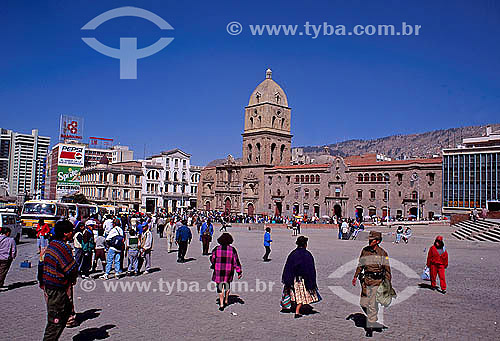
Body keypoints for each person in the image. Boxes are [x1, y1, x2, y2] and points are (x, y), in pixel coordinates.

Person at [41, 220, 78, 340]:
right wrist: (73, 278)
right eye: (71, 231)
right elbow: (71, 268)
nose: (73, 233)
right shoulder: (63, 247)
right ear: (65, 233)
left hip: (51, 285)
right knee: (55, 322)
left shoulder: (52, 244)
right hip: (56, 288)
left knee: (65, 310)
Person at [352, 231, 391, 337]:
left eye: (372, 239)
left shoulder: (383, 253)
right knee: (363, 303)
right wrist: (355, 276)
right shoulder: (365, 251)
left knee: (372, 304)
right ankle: (372, 318)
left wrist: (388, 284)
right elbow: (360, 264)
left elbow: (387, 270)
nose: (369, 241)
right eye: (369, 239)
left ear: (378, 241)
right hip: (366, 280)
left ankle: (369, 328)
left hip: (377, 281)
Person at [282, 236, 321, 319]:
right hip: (301, 279)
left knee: (294, 295)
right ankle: (297, 312)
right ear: (305, 244)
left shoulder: (293, 254)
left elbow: (288, 267)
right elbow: (310, 268)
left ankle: (293, 307)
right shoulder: (307, 254)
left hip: (293, 279)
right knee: (301, 295)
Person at [210, 233, 242, 311]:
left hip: (218, 270)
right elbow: (236, 261)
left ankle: (221, 304)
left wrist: (213, 264)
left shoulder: (216, 249)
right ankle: (226, 299)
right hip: (228, 270)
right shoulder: (232, 249)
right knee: (227, 284)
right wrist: (239, 271)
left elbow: (212, 258)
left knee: (220, 287)